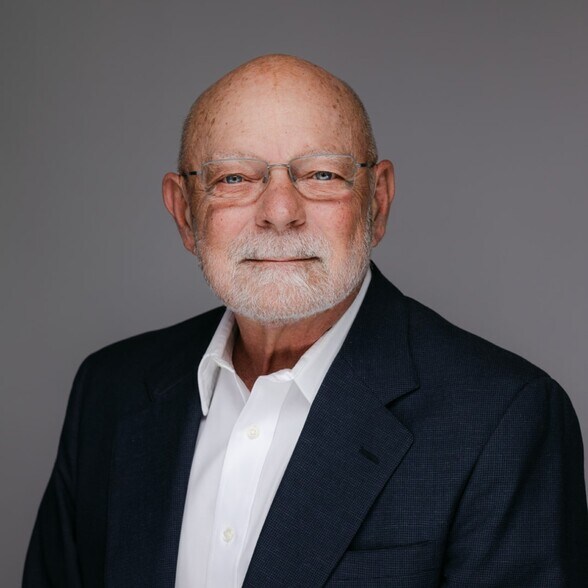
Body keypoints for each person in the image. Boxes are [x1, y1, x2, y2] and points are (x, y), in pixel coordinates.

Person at [24, 54, 588, 587]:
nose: (279, 212)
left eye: (321, 174)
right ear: (184, 213)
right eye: (234, 178)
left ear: (377, 201)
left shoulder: (503, 420)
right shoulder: (109, 391)